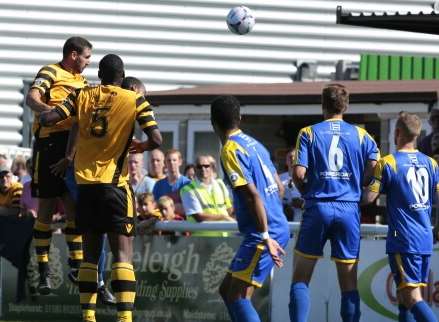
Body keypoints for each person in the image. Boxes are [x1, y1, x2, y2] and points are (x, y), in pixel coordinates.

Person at [40, 54, 162, 322]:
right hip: (115, 186)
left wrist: (39, 99)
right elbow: (156, 138)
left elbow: (49, 118)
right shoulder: (134, 99)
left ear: (99, 73)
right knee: (122, 255)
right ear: (122, 76)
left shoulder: (81, 94)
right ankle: (125, 319)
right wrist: (142, 146)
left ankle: (88, 317)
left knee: (90, 256)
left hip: (86, 189)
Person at [289, 84, 379, 322]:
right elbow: (375, 170)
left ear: (323, 105)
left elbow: (298, 174)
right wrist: (363, 189)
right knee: (348, 283)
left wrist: (306, 190)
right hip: (349, 209)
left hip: (318, 206)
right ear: (346, 106)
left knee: (300, 279)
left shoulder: (308, 132)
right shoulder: (361, 135)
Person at [210, 95, 289, 322]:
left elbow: (252, 195)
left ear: (213, 123)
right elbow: (279, 187)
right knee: (227, 290)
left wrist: (265, 234)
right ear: (240, 118)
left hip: (263, 234)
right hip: (269, 228)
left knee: (238, 296)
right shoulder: (256, 144)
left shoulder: (230, 149)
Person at [26, 36, 92, 294]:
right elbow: (32, 98)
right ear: (74, 55)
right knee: (46, 209)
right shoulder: (50, 71)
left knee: (74, 209)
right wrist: (48, 114)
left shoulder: (84, 83)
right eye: (86, 57)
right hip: (50, 144)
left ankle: (76, 266)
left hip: (74, 148)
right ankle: (44, 273)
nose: (88, 62)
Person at [363, 112, 439, 322]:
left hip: (404, 240)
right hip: (424, 238)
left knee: (411, 297)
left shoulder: (387, 162)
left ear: (397, 133)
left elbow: (369, 197)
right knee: (404, 299)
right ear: (417, 134)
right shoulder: (431, 164)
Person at [180, 155, 234, 237]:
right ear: (195, 169)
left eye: (206, 166)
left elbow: (229, 209)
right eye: (199, 166)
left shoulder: (220, 184)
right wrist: (223, 217)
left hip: (225, 237)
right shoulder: (187, 189)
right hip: (203, 240)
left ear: (211, 168)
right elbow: (199, 217)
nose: (203, 169)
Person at [152, 149, 191, 216]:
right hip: (162, 224)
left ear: (180, 162)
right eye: (169, 160)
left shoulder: (187, 183)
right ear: (165, 163)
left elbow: (189, 207)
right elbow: (153, 206)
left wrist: (165, 206)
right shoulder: (158, 185)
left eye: (174, 160)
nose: (171, 163)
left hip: (182, 224)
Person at [279, 148, 304, 222]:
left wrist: (302, 204)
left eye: (295, 157)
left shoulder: (308, 178)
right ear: (286, 161)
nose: (292, 159)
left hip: (303, 218)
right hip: (285, 218)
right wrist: (286, 205)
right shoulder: (279, 179)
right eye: (290, 157)